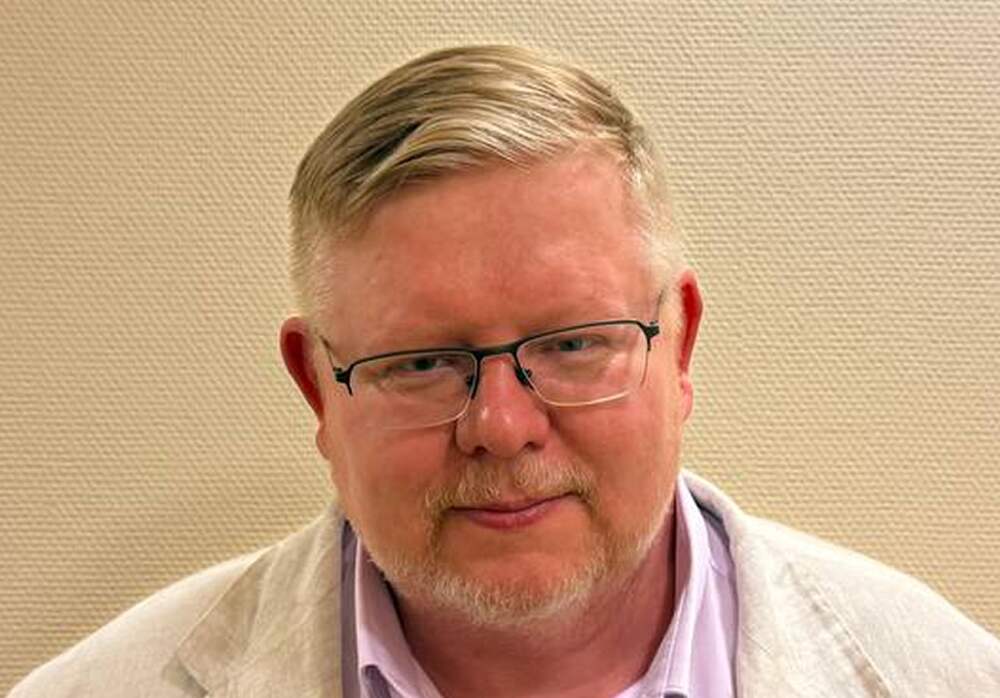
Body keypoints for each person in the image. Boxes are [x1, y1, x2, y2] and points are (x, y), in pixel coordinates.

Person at [10, 44, 1000, 698]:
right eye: (421, 362)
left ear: (680, 345)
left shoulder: (947, 676)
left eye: (571, 343)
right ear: (317, 388)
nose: (501, 425)